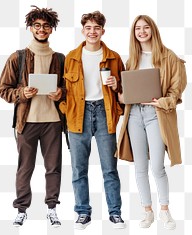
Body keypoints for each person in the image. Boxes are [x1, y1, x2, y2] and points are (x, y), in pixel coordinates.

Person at [0, 5, 66, 227]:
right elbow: (2, 89)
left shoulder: (60, 58)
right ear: (30, 28)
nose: (41, 29)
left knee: (53, 167)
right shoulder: (17, 57)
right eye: (37, 26)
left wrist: (60, 94)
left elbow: (68, 89)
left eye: (46, 26)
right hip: (26, 122)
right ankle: (21, 209)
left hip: (53, 122)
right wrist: (21, 93)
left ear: (51, 29)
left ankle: (52, 208)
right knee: (24, 167)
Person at [117, 15, 187, 230]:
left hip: (156, 114)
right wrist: (121, 96)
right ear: (134, 33)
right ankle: (147, 211)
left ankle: (165, 210)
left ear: (153, 30)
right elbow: (125, 91)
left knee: (157, 166)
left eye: (146, 27)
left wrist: (162, 101)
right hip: (135, 114)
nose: (142, 31)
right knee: (140, 167)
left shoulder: (169, 57)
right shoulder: (131, 59)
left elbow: (177, 89)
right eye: (138, 28)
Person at [59, 11, 125, 230]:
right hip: (78, 115)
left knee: (110, 169)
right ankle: (83, 212)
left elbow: (125, 90)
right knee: (79, 169)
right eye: (88, 28)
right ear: (83, 30)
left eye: (97, 28)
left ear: (103, 31)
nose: (92, 31)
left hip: (105, 113)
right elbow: (62, 90)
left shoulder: (114, 57)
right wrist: (65, 109)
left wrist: (117, 86)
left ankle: (115, 213)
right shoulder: (71, 57)